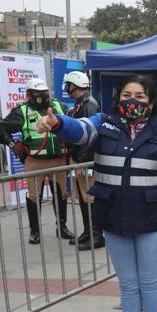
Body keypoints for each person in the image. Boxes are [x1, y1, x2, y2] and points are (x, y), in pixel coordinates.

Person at [35, 74, 157, 312]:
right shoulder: (102, 125)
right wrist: (57, 124)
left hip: (151, 221)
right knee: (128, 285)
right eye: (127, 95)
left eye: (140, 97)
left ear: (151, 102)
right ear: (118, 99)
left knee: (150, 283)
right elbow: (78, 131)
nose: (132, 101)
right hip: (114, 218)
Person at [0, 77, 75, 245]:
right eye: (37, 94)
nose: (42, 96)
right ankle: (35, 231)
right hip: (35, 161)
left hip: (58, 159)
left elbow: (72, 125)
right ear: (29, 94)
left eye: (44, 93)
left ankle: (62, 227)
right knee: (34, 196)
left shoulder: (59, 106)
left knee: (61, 194)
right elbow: (1, 128)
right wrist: (13, 144)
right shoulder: (21, 111)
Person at [62, 70, 105, 251]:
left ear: (73, 85)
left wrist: (81, 162)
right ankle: (88, 231)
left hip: (86, 159)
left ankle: (96, 234)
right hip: (78, 158)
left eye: (68, 84)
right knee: (81, 196)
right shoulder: (79, 105)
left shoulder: (89, 104)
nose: (66, 88)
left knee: (90, 196)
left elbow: (89, 136)